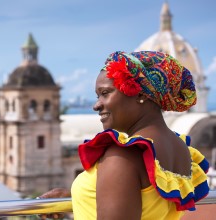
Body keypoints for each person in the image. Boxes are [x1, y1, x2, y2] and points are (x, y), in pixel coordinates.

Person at [39, 51, 210, 219]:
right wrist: (80, 196)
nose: (97, 105)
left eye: (105, 93)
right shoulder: (181, 149)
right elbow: (148, 204)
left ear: (141, 95)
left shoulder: (123, 155)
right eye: (98, 96)